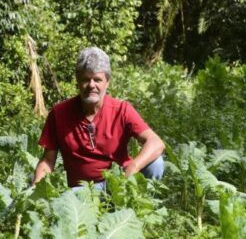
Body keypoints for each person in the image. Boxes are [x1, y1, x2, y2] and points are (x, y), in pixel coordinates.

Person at [33, 47, 165, 190]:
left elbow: (156, 143)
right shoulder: (59, 113)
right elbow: (47, 160)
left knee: (156, 164)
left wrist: (133, 167)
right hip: (82, 190)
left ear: (107, 82)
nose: (91, 85)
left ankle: (139, 207)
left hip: (119, 184)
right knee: (67, 198)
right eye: (85, 79)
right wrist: (36, 191)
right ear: (77, 80)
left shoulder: (121, 110)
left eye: (97, 79)